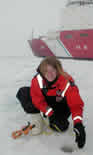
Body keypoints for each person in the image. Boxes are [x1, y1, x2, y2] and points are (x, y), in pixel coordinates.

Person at [16, 56, 86, 148]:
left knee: (61, 127)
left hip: (60, 105)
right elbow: (37, 100)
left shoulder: (66, 81)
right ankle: (37, 119)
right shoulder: (37, 80)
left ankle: (51, 119)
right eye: (46, 71)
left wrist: (78, 123)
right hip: (46, 102)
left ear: (58, 70)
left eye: (53, 70)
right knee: (24, 93)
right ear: (42, 71)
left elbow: (75, 103)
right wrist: (49, 113)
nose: (50, 74)